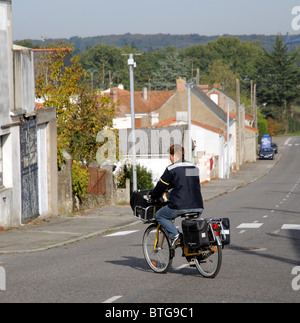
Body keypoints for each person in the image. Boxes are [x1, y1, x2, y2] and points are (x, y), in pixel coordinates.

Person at [151, 144, 204, 248]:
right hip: (198, 204)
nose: (169, 159)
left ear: (173, 155)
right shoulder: (192, 166)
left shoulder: (172, 169)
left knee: (160, 215)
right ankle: (195, 254)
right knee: (193, 228)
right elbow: (186, 182)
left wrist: (154, 196)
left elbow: (160, 186)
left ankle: (175, 235)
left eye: (170, 156)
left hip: (180, 205)